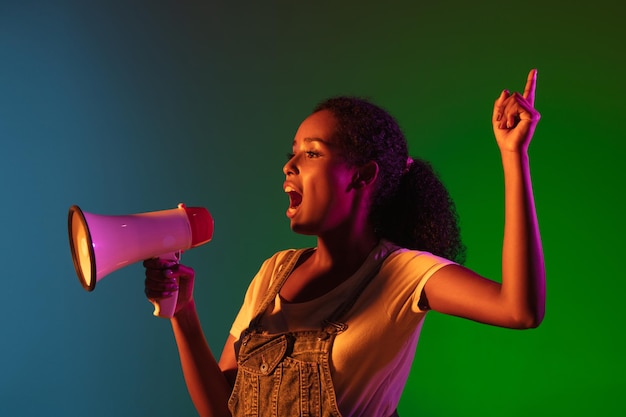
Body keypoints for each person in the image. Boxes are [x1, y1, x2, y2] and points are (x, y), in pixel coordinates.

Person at [144, 69, 545, 417]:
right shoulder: (273, 273)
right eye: (293, 153)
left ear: (362, 176)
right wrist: (183, 311)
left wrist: (514, 156)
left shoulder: (402, 272)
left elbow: (518, 309)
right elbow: (222, 409)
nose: (289, 165)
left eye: (312, 153)